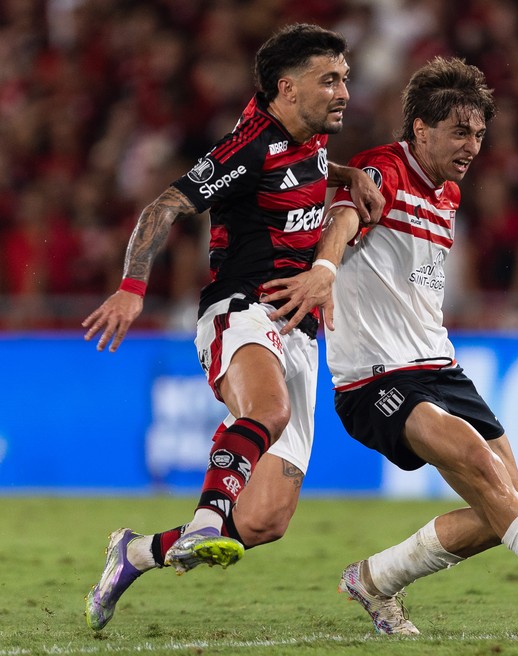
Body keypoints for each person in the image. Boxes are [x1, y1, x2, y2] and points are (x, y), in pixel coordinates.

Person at [263, 56, 518, 637]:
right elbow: (342, 218)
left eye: (480, 134)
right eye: (460, 132)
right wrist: (328, 268)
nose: (472, 146)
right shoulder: (381, 170)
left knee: (504, 506)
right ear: (420, 130)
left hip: (440, 366)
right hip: (376, 380)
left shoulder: (450, 194)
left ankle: (375, 579)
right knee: (483, 468)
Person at [81, 23, 384, 631]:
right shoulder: (249, 146)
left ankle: (134, 555)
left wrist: (347, 176)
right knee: (267, 411)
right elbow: (163, 206)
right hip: (239, 309)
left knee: (267, 521)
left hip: (298, 328)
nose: (345, 92)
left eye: (346, 79)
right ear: (287, 88)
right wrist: (133, 287)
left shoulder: (310, 135)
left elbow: (307, 172)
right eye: (330, 81)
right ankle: (202, 520)